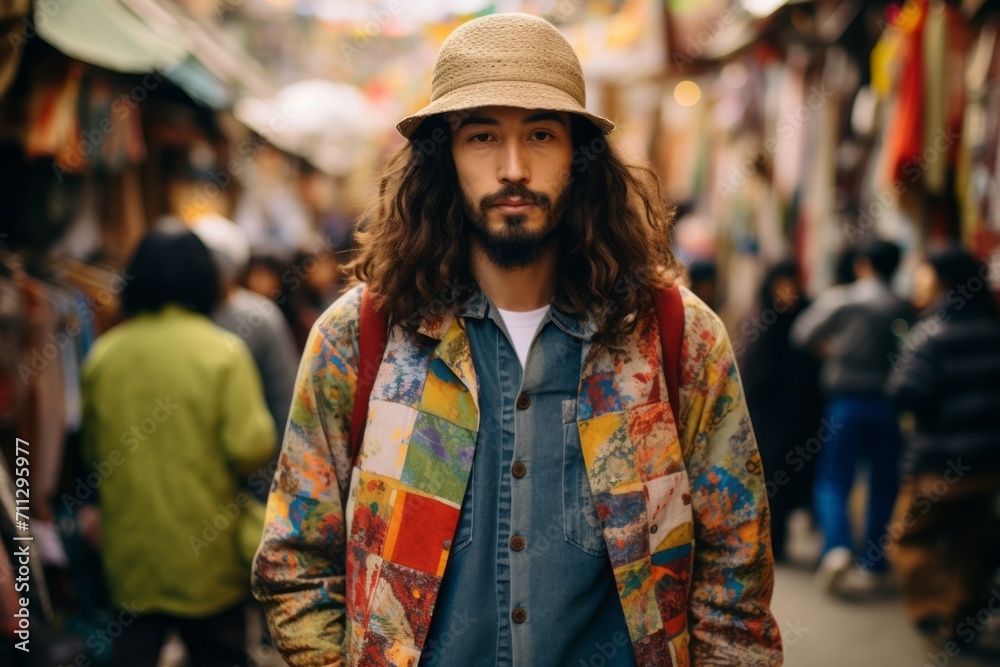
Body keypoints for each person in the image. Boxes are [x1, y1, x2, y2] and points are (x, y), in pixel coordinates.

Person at [252, 13, 782, 667]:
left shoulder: (676, 337)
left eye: (540, 133)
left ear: (579, 153)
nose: (513, 166)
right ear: (443, 156)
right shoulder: (357, 340)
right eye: (482, 137)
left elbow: (736, 580)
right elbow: (294, 560)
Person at [81, 229, 275, 666]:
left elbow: (93, 453)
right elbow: (252, 447)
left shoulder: (103, 357)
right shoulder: (223, 353)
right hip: (208, 561)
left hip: (132, 561)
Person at [884, 247, 1000, 649]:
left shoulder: (932, 333)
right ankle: (962, 616)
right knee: (969, 545)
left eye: (925, 274)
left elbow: (906, 393)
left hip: (937, 464)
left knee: (909, 539)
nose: (918, 282)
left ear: (944, 282)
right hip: (987, 464)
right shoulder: (993, 327)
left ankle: (932, 612)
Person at [791, 240, 911, 597]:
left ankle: (838, 547)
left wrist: (832, 350)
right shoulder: (902, 305)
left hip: (845, 401)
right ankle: (873, 561)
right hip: (888, 405)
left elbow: (802, 334)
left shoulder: (842, 299)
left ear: (863, 263)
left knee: (833, 478)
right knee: (883, 482)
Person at [193, 215, 299, 496]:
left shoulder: (260, 317)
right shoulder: (185, 314)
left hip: (251, 479)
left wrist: (270, 483)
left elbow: (285, 399)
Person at [740, 260, 824, 562]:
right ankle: (773, 543)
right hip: (769, 421)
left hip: (804, 419)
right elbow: (754, 378)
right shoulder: (763, 323)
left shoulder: (810, 322)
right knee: (771, 481)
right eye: (781, 286)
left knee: (799, 478)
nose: (787, 293)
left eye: (792, 285)